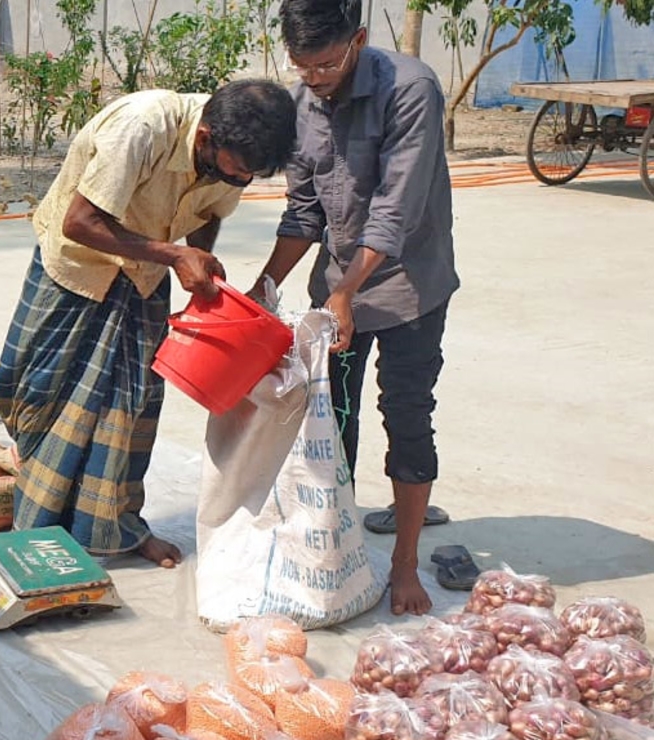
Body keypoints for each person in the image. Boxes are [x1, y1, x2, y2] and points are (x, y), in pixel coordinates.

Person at [0, 79, 297, 568]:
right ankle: (39, 522)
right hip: (78, 267)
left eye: (250, 177)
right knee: (34, 393)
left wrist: (198, 262)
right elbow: (80, 222)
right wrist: (175, 254)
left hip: (146, 275)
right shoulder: (142, 127)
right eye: (238, 173)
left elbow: (208, 212)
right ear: (205, 140)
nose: (240, 183)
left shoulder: (231, 154)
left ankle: (111, 526)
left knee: (127, 410)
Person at [249, 0, 460, 615]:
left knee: (408, 411)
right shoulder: (301, 104)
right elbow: (305, 210)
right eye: (301, 66)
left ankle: (403, 563)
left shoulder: (411, 88)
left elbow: (395, 209)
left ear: (359, 40)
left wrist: (347, 292)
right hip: (337, 285)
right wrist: (264, 284)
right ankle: (333, 545)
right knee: (329, 417)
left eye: (325, 64)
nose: (313, 78)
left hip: (409, 286)